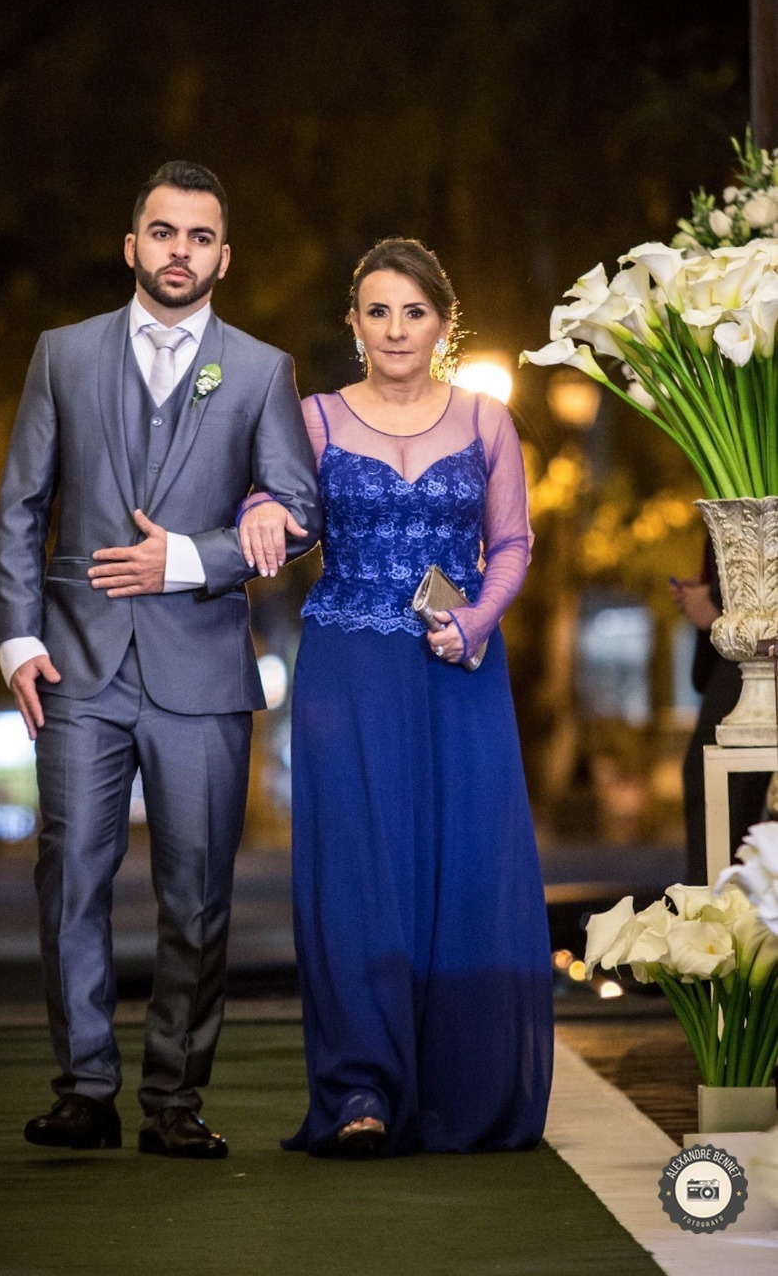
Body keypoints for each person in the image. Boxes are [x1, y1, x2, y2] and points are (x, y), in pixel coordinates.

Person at [0, 160, 321, 1158]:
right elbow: (19, 507)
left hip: (202, 669)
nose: (180, 249)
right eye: (163, 231)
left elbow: (297, 512)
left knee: (197, 893)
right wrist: (16, 635)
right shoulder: (63, 355)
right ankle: (85, 1084)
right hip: (76, 667)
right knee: (70, 880)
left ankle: (175, 1095)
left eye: (200, 235)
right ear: (130, 244)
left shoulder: (259, 371)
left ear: (225, 255)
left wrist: (187, 556)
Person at [240, 238, 553, 1156]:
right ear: (354, 324)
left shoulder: (488, 421)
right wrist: (262, 509)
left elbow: (513, 543)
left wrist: (481, 619)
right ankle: (361, 1093)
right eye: (377, 311)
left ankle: (466, 1087)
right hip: (348, 669)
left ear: (444, 325)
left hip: (459, 666)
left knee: (466, 863)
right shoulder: (317, 418)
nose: (395, 328)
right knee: (359, 874)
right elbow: (282, 514)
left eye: (413, 311)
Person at [671, 540, 769, 884]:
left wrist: (719, 602)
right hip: (742, 650)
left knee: (718, 784)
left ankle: (717, 922)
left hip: (756, 651)